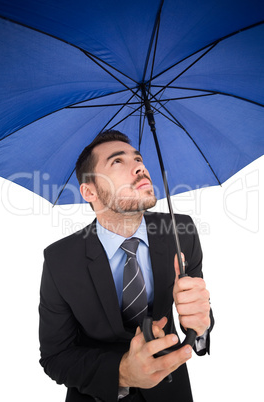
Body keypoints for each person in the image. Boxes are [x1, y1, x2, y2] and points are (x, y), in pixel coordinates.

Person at [39, 130, 214, 402]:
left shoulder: (182, 232)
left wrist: (200, 328)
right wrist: (122, 373)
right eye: (117, 162)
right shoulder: (60, 259)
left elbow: (197, 316)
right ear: (89, 191)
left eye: (138, 159)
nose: (140, 167)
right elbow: (55, 356)